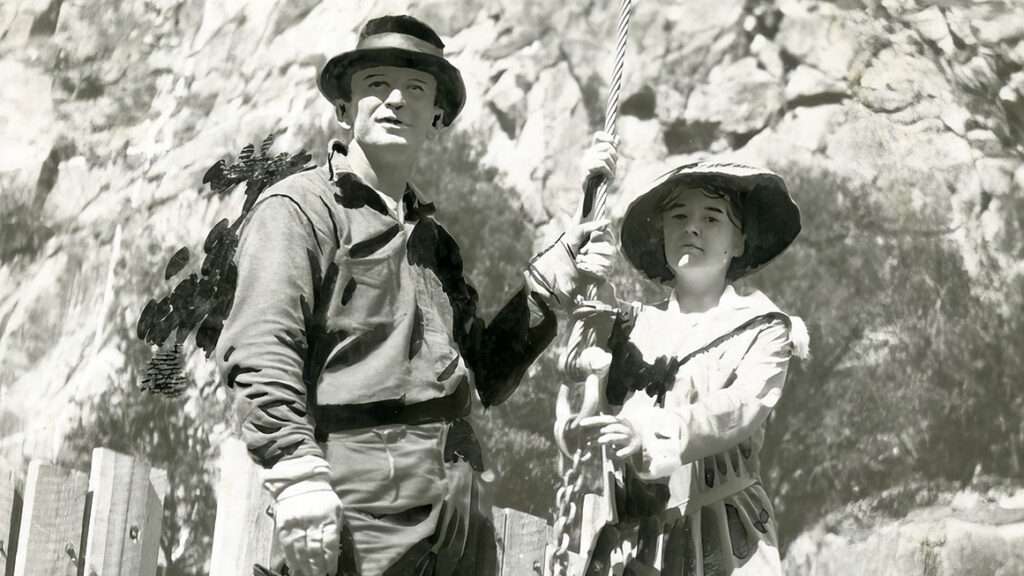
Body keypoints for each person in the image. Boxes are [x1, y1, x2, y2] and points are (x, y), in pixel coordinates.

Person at [214, 14, 617, 576]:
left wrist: (555, 277)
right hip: (360, 492)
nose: (395, 99)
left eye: (417, 89)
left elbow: (485, 373)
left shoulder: (436, 244)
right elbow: (262, 345)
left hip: (459, 501)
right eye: (376, 84)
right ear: (344, 107)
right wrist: (295, 468)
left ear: (437, 116)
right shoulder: (300, 209)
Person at [569, 162, 808, 574]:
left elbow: (737, 408)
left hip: (727, 539)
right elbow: (578, 367)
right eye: (679, 216)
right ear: (662, 231)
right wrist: (586, 230)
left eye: (711, 218)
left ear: (739, 241)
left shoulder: (763, 328)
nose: (692, 228)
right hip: (638, 543)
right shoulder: (628, 325)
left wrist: (650, 431)